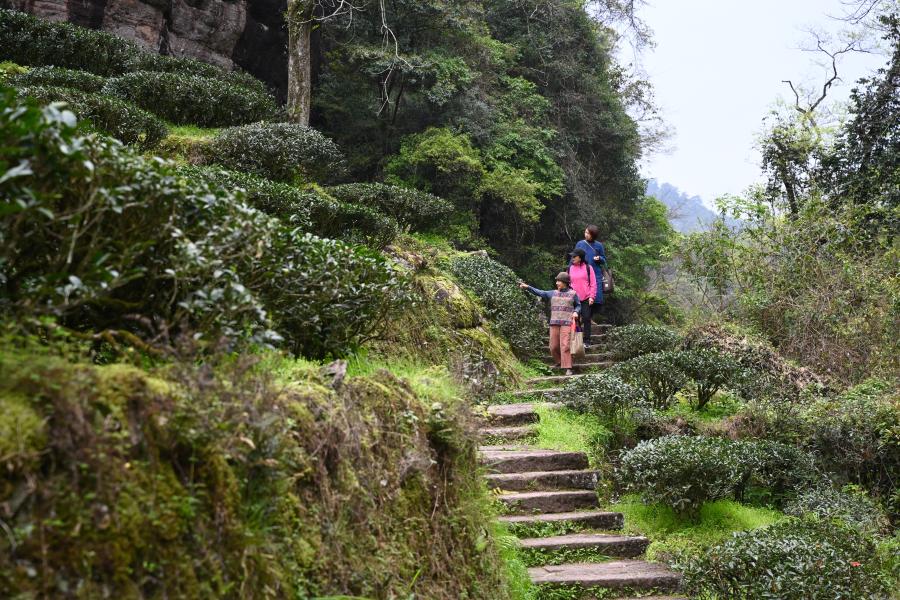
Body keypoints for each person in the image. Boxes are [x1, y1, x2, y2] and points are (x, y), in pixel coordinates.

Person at [519, 272, 581, 375]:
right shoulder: (553, 293)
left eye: (559, 281)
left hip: (567, 322)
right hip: (554, 323)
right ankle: (559, 361)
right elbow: (540, 292)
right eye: (556, 281)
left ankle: (568, 367)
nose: (557, 283)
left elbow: (578, 306)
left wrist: (576, 312)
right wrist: (527, 287)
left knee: (565, 345)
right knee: (553, 346)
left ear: (565, 282)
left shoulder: (573, 294)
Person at [573, 225, 606, 345]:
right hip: (582, 274)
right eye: (585, 232)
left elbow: (604, 260)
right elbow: (574, 257)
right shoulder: (580, 244)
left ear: (593, 235)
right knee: (583, 298)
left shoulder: (599, 245)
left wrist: (599, 258)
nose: (586, 234)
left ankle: (588, 317)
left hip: (595, 274)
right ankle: (584, 318)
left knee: (597, 300)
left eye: (588, 233)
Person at [567, 248, 597, 345]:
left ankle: (587, 340)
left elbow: (593, 283)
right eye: (572, 256)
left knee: (586, 318)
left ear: (580, 258)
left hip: (586, 298)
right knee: (576, 319)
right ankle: (577, 341)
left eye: (574, 256)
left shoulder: (588, 268)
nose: (572, 258)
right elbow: (567, 283)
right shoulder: (570, 268)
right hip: (573, 298)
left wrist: (592, 296)